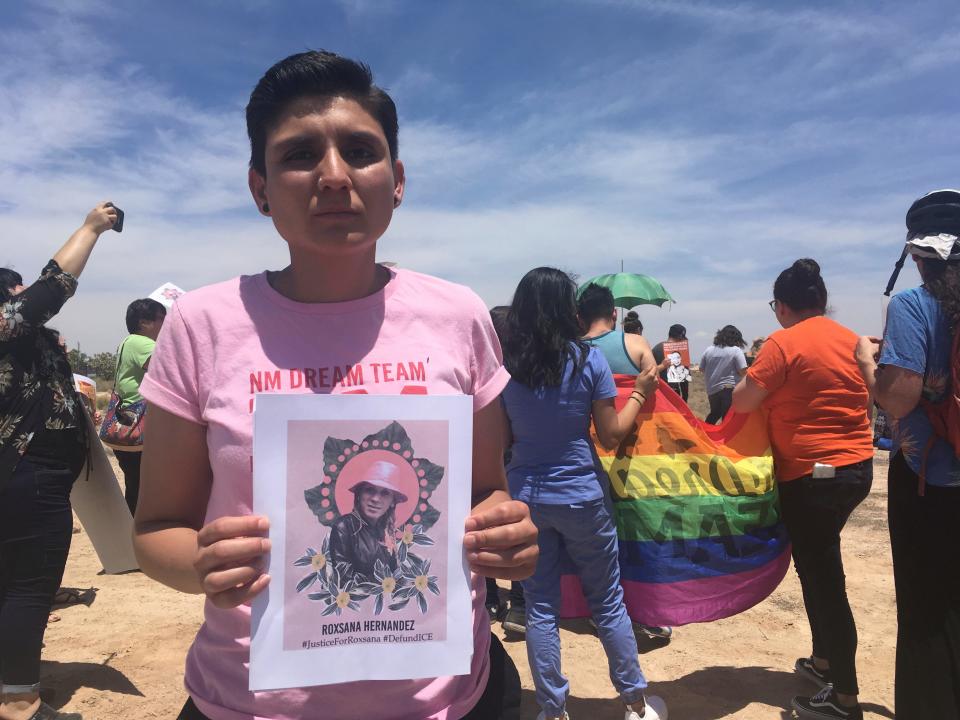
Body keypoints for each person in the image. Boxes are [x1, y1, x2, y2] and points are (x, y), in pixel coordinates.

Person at [132, 50, 536, 720]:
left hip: (448, 699)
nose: (333, 176)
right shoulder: (202, 325)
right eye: (298, 155)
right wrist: (202, 562)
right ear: (260, 188)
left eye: (359, 150)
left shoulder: (458, 314)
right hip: (253, 702)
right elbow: (155, 530)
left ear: (397, 180)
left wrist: (504, 533)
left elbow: (485, 490)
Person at [501, 267, 667, 720]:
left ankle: (553, 710)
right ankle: (634, 702)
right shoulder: (587, 360)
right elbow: (611, 436)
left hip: (526, 498)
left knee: (540, 608)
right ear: (566, 310)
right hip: (582, 495)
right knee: (608, 601)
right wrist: (641, 394)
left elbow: (502, 438)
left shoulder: (505, 367)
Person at [732, 258, 873, 720]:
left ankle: (844, 697)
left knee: (825, 579)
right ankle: (823, 661)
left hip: (810, 477)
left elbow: (742, 400)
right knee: (815, 568)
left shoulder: (783, 343)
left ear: (784, 306)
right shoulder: (850, 338)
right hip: (857, 468)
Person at [0, 203, 119, 720]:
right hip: (30, 476)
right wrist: (93, 226)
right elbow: (53, 287)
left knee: (10, 582)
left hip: (21, 476)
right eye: (15, 291)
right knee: (30, 586)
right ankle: (19, 701)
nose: (22, 298)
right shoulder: (9, 323)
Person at [855, 189, 960, 720]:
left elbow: (899, 396)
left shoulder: (913, 305)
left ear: (918, 255)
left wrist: (867, 364)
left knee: (924, 608)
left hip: (930, 481)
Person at [577, 283, 672, 642]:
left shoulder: (573, 351)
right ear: (613, 314)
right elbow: (655, 389)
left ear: (578, 316)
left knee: (598, 540)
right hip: (635, 456)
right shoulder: (634, 343)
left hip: (588, 459)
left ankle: (597, 608)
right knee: (638, 536)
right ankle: (641, 612)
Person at [483, 306, 527, 636]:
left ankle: (489, 597)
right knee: (516, 528)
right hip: (515, 460)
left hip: (484, 457)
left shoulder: (479, 369)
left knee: (483, 521)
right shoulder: (523, 370)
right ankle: (520, 601)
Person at [112, 298, 166, 515]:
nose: (167, 323)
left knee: (136, 487)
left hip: (128, 426)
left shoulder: (127, 342)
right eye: (162, 318)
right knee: (148, 489)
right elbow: (169, 369)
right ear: (144, 322)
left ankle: (131, 538)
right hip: (142, 426)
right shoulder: (143, 343)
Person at [328, 462, 404, 583]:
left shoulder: (388, 532)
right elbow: (343, 581)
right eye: (369, 490)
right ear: (359, 494)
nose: (375, 499)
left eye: (385, 493)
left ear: (393, 502)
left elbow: (395, 574)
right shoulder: (344, 527)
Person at [699, 325, 747, 425]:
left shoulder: (708, 350)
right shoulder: (735, 350)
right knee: (727, 417)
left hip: (712, 389)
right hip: (729, 388)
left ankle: (705, 433)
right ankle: (726, 439)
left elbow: (701, 369)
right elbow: (743, 371)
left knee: (715, 413)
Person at [651, 325, 689, 401]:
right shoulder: (681, 350)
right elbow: (684, 380)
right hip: (673, 392)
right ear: (680, 337)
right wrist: (684, 399)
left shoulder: (656, 348)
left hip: (658, 392)